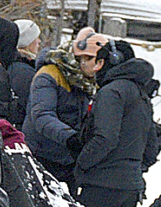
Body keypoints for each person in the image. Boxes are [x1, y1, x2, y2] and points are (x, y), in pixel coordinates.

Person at [68, 37, 160, 207]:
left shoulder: (111, 92)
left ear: (108, 62)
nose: (94, 69)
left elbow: (105, 138)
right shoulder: (141, 94)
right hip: (131, 188)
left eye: (98, 62)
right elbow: (151, 148)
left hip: (101, 187)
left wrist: (82, 164)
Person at [22, 26, 102, 179]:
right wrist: (71, 138)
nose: (97, 68)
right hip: (43, 155)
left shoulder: (85, 82)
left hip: (69, 159)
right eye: (94, 61)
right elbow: (42, 115)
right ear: (81, 58)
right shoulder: (49, 75)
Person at [6, 19, 43, 114]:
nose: (39, 41)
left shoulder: (10, 64)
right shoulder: (25, 72)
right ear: (28, 42)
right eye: (36, 38)